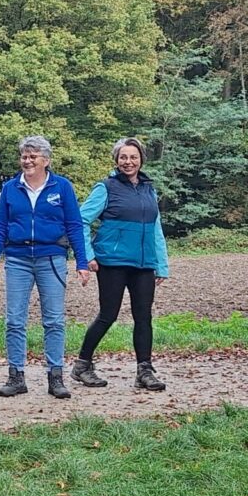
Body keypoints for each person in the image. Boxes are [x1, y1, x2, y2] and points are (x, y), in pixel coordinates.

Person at [0, 136, 90, 399]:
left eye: (33, 156)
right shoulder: (10, 188)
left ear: (46, 160)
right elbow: (0, 227)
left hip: (51, 258)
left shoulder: (62, 187)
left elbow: (74, 225)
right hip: (18, 258)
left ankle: (55, 376)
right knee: (14, 320)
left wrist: (82, 262)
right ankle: (16, 375)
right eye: (24, 156)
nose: (27, 161)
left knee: (54, 320)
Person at [71, 137, 169, 391]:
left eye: (133, 157)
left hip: (143, 264)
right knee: (108, 315)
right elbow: (80, 221)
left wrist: (161, 264)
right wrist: (87, 256)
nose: (128, 162)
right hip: (112, 263)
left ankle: (144, 371)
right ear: (116, 160)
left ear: (141, 160)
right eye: (123, 157)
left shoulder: (149, 189)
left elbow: (156, 228)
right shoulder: (106, 187)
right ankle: (82, 366)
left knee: (144, 317)